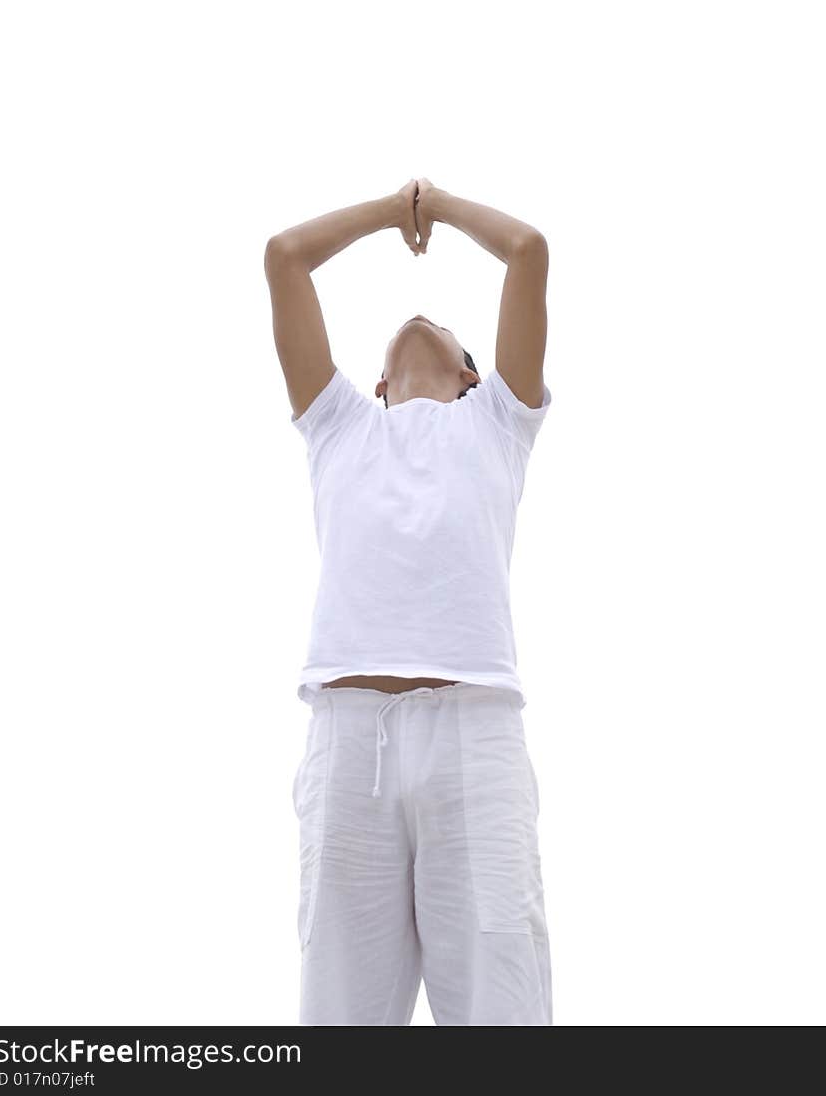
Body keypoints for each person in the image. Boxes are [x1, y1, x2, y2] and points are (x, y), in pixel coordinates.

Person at [263, 177, 553, 1026]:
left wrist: (443, 207)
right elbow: (285, 259)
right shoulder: (341, 427)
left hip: (476, 732)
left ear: (472, 374)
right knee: (340, 1015)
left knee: (504, 1004)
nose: (419, 318)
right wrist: (395, 212)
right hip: (352, 738)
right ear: (377, 386)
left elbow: (529, 252)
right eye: (396, 335)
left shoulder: (497, 420)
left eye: (449, 333)